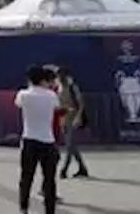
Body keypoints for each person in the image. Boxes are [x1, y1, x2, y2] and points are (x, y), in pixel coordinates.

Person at [16, 65, 61, 214]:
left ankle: (23, 208)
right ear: (43, 80)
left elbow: (18, 105)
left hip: (29, 139)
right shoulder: (51, 96)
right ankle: (49, 210)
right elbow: (56, 108)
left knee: (26, 177)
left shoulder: (23, 94)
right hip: (48, 140)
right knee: (49, 179)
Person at [56, 68, 88, 179]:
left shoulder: (72, 87)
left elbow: (81, 103)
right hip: (62, 119)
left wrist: (78, 117)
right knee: (71, 145)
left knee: (69, 145)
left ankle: (64, 169)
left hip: (72, 118)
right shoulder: (59, 88)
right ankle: (82, 168)